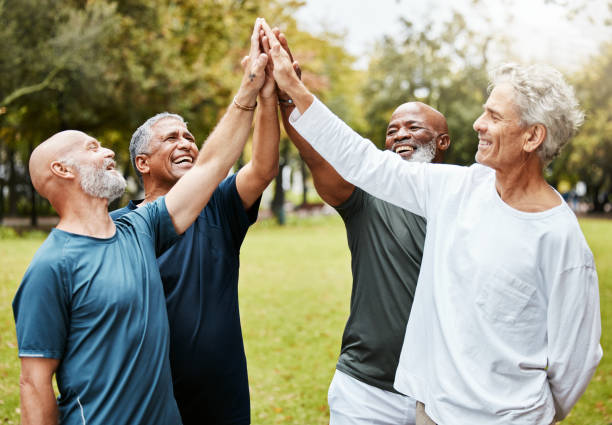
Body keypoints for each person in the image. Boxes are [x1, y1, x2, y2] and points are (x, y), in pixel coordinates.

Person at [262, 22, 602, 425]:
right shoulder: (456, 189)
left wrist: (528, 414)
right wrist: (294, 92)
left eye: (493, 116)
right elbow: (363, 161)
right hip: (433, 413)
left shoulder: (560, 239)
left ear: (532, 137)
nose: (477, 123)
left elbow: (575, 359)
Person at [13, 18, 270, 425]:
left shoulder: (140, 229)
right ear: (62, 170)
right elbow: (33, 383)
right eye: (93, 147)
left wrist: (250, 87)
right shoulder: (51, 267)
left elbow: (213, 166)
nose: (109, 152)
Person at [270, 28, 450, 425]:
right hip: (366, 390)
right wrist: (288, 96)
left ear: (442, 142)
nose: (401, 133)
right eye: (392, 129)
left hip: (443, 391)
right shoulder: (366, 195)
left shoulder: (462, 198)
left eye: (414, 127)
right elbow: (318, 156)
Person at [109, 30, 279, 425]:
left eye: (189, 136)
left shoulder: (219, 203)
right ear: (142, 163)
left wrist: (267, 95)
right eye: (171, 138)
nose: (186, 142)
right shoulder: (118, 227)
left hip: (220, 395)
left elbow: (264, 167)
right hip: (147, 394)